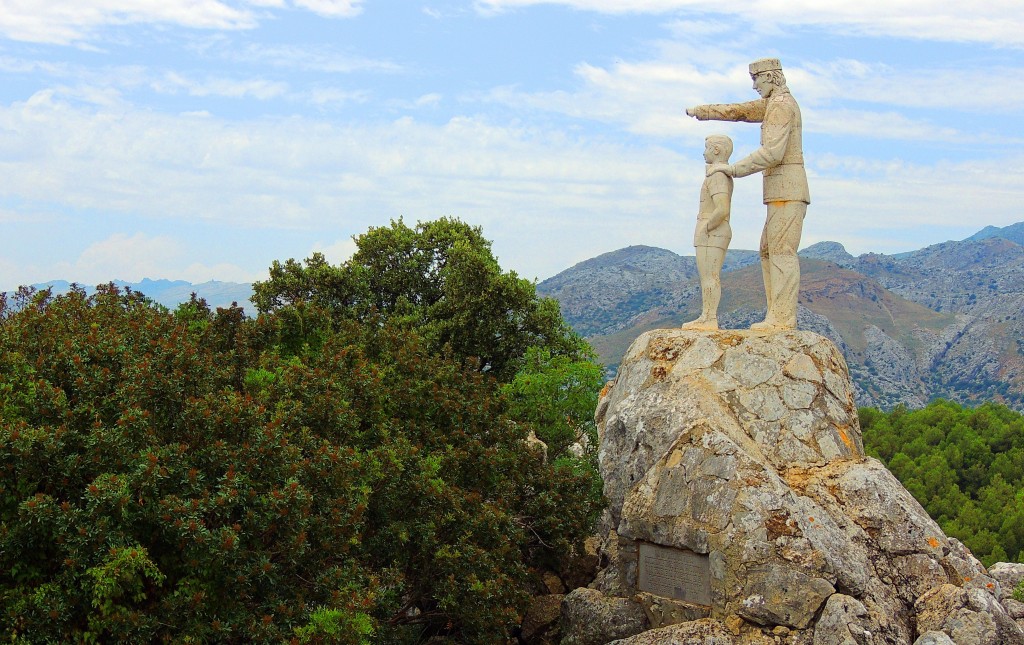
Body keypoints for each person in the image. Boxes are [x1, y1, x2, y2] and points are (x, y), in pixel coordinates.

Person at [685, 58, 809, 331]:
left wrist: (732, 168)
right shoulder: (773, 105)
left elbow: (772, 153)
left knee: (781, 251)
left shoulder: (782, 106)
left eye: (757, 79)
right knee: (768, 250)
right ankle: (777, 314)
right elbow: (740, 111)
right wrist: (704, 112)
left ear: (771, 77)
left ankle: (782, 318)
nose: (754, 86)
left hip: (788, 188)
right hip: (779, 190)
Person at [683, 135, 734, 330]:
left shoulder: (717, 175)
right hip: (714, 228)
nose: (703, 152)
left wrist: (706, 227)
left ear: (717, 150)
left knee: (709, 276)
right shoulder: (719, 175)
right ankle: (707, 315)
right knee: (709, 276)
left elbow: (722, 208)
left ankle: (709, 317)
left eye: (706, 148)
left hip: (713, 229)